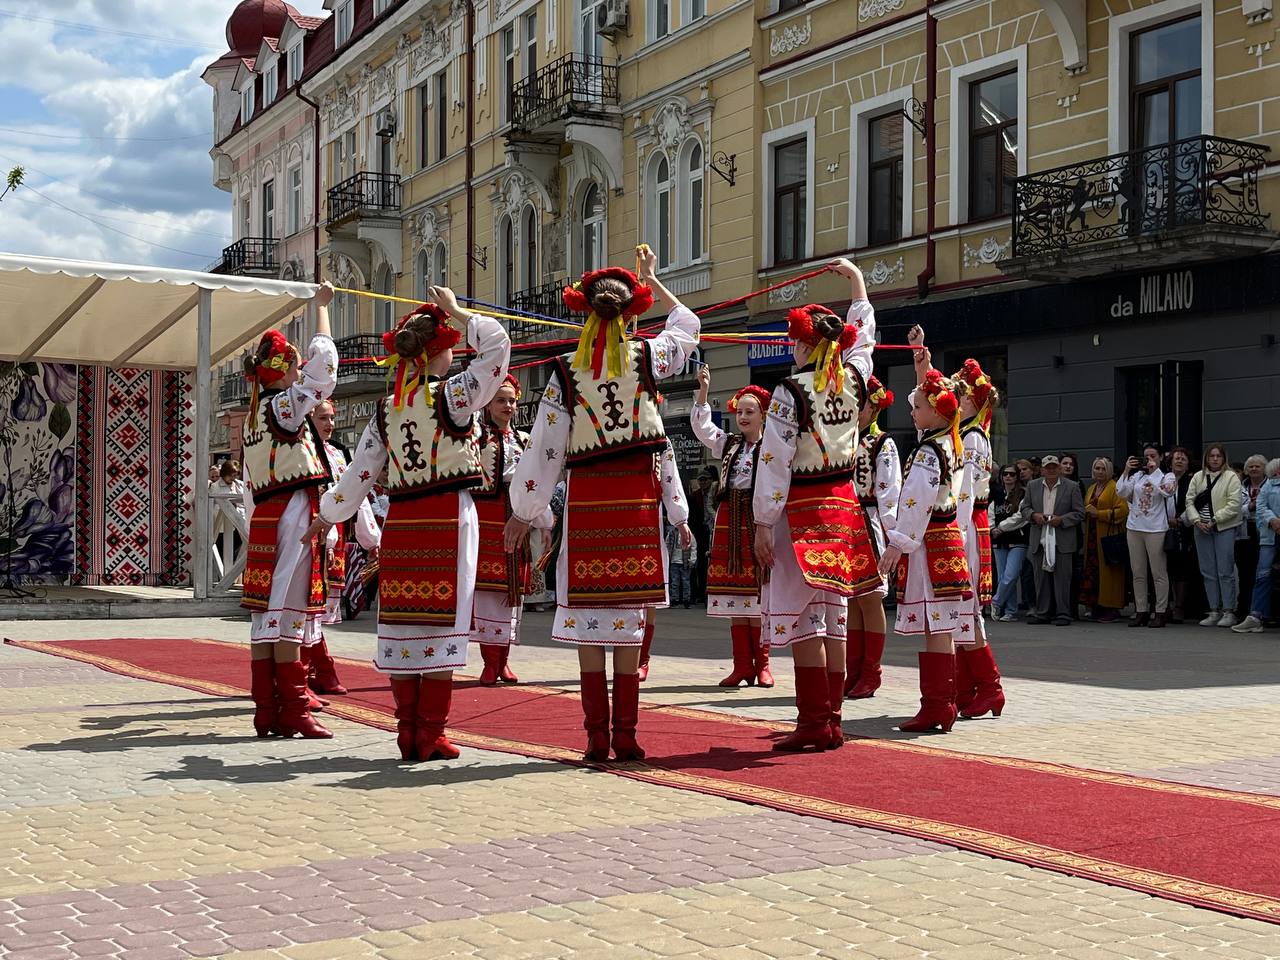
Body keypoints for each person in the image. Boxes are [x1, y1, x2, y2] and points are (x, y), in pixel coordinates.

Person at [504, 246, 699, 762]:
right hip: (634, 502)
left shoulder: (565, 373)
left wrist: (524, 513)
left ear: (585, 314)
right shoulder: (649, 358)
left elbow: (546, 448)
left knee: (592, 621)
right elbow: (687, 323)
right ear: (631, 315)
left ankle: (596, 738)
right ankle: (628, 736)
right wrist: (654, 279)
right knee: (629, 622)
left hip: (590, 502)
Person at [308, 287, 511, 762]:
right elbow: (498, 347)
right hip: (447, 516)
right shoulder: (455, 394)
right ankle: (430, 732)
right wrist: (461, 311)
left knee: (403, 625)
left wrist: (328, 515)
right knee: (443, 625)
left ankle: (406, 731)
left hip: (403, 521)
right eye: (451, 347)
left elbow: (359, 474)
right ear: (440, 351)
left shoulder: (387, 408)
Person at [754, 258, 880, 750]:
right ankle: (831, 721)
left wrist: (764, 521)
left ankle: (813, 723)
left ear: (806, 345)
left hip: (804, 513)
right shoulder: (854, 379)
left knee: (805, 618)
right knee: (834, 616)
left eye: (793, 340)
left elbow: (775, 460)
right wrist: (857, 283)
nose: (790, 347)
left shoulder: (790, 392)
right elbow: (865, 338)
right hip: (846, 509)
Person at [240, 281, 337, 740]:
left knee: (268, 613)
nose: (301, 373)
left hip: (265, 517)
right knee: (288, 611)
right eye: (295, 365)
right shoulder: (283, 404)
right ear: (282, 371)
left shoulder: (256, 415)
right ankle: (294, 711)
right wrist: (321, 311)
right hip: (291, 515)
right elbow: (324, 375)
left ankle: (269, 711)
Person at [879, 369, 971, 732]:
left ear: (936, 411)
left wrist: (897, 544)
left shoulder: (930, 451)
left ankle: (937, 706)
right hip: (948, 540)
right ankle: (944, 703)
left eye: (917, 406)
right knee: (943, 627)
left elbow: (916, 501)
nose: (912, 413)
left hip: (929, 543)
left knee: (936, 625)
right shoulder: (952, 442)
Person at [691, 367, 772, 687]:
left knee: (760, 593)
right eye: (740, 411)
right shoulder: (728, 444)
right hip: (730, 518)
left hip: (758, 519)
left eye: (750, 411)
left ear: (763, 415)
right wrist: (703, 392)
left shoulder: (773, 448)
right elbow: (703, 429)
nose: (743, 417)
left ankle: (763, 665)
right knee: (738, 596)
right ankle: (742, 666)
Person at [471, 375, 552, 686]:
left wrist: (543, 521)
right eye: (500, 400)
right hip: (486, 518)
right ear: (488, 404)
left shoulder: (524, 440)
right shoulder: (476, 437)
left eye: (511, 400)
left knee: (512, 592)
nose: (508, 406)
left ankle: (503, 661)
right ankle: (489, 663)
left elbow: (537, 482)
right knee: (487, 591)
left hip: (517, 518)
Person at [309, 399, 380, 697]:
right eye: (323, 418)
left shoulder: (338, 455)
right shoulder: (302, 452)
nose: (330, 424)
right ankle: (316, 672)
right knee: (306, 612)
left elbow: (356, 498)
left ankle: (318, 672)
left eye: (332, 418)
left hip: (332, 543)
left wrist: (372, 540)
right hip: (308, 541)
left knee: (319, 613)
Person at [845, 373, 900, 699]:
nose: (854, 409)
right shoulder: (845, 439)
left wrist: (893, 537)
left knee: (868, 597)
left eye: (860, 403)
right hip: (845, 521)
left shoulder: (883, 443)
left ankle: (871, 672)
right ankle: (853, 671)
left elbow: (889, 492)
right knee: (850, 599)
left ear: (873, 407)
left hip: (869, 522)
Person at [1116, 444, 1178, 627]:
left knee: (1158, 572)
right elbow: (1121, 491)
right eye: (1145, 456)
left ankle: (1160, 611)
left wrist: (1154, 474)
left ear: (1160, 457)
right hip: (1135, 527)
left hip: (1156, 529)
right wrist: (1127, 470)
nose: (1148, 459)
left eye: (1152, 456)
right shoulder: (1137, 476)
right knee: (1138, 572)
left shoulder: (1167, 476)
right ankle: (1141, 610)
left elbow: (1168, 491)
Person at [1020, 455, 1085, 626]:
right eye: (1047, 467)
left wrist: (1062, 520)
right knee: (1040, 579)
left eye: (1054, 467)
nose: (1051, 470)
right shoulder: (1032, 486)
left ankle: (1063, 613)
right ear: (1041, 470)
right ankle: (1043, 613)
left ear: (1059, 469)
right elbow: (1024, 508)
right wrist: (1034, 515)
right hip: (1039, 537)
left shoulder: (1072, 487)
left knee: (1063, 579)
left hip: (1062, 539)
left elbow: (1079, 513)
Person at [1184, 443, 1243, 628]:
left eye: (1218, 456)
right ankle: (1213, 610)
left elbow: (1234, 504)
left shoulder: (1231, 476)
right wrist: (1196, 521)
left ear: (1224, 458)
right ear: (1206, 458)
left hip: (1223, 527)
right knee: (1208, 571)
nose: (1215, 459)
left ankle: (1229, 611)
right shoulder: (1197, 477)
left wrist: (1214, 520)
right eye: (1212, 456)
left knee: (1225, 570)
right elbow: (1189, 500)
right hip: (1201, 528)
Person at [1233, 457, 1280, 634]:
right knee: (1262, 575)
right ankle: (1255, 617)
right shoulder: (1268, 486)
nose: (1276, 475)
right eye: (1274, 472)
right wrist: (1272, 520)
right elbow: (1260, 506)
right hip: (1269, 536)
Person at [1079, 457, 1128, 622]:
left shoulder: (1115, 488)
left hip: (1109, 536)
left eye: (1103, 469)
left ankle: (1111, 607)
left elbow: (1122, 511)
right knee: (1093, 571)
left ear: (1110, 471)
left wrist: (1098, 514)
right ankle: (1096, 606)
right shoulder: (1092, 487)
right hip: (1092, 536)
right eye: (1097, 468)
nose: (1100, 472)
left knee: (1110, 573)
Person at [990, 465, 1029, 621]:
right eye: (1005, 474)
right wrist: (992, 528)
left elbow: (1021, 517)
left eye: (1012, 474)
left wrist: (1001, 527)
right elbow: (990, 512)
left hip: (1017, 539)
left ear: (1017, 477)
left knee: (1011, 575)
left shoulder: (1023, 494)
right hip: (999, 540)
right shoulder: (996, 494)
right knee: (1002, 577)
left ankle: (996, 601)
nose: (1008, 477)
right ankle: (1010, 611)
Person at [1165, 446, 1197, 622]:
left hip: (1183, 528)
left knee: (1182, 568)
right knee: (1166, 568)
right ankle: (1166, 606)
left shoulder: (1191, 481)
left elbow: (1195, 502)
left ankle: (1180, 607)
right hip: (1162, 528)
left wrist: (1179, 520)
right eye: (1176, 458)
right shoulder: (1163, 480)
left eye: (1183, 459)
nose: (1179, 461)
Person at [1236, 454, 1268, 620]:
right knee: (1245, 573)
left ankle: (1262, 611)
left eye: (1258, 466)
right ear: (1246, 470)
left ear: (1265, 469)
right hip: (1244, 533)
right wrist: (1250, 506)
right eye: (1251, 467)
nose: (1254, 469)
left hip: (1264, 532)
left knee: (1263, 573)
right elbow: (1235, 509)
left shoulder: (1270, 486)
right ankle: (1244, 610)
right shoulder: (1239, 486)